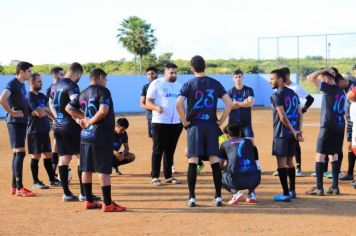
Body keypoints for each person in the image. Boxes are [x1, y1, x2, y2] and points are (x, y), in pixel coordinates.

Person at [66, 68, 126, 212]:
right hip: (101, 136)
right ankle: (108, 203)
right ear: (100, 77)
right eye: (105, 79)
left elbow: (68, 108)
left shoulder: (83, 93)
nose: (105, 82)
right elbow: (103, 111)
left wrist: (82, 118)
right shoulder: (103, 91)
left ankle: (89, 200)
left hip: (86, 136)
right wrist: (89, 121)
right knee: (103, 170)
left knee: (86, 168)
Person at [176, 55, 232, 207]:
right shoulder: (215, 83)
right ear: (205, 66)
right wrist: (220, 121)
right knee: (214, 160)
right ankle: (218, 197)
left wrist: (185, 121)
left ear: (192, 68)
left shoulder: (188, 84)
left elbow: (178, 104)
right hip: (210, 126)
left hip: (195, 127)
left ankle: (192, 198)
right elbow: (229, 103)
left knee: (193, 160)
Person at [49, 62, 87, 201]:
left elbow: (50, 103)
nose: (79, 79)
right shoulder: (72, 86)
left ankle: (66, 193)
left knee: (64, 158)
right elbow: (75, 104)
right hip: (71, 126)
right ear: (77, 73)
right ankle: (84, 193)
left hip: (58, 126)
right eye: (80, 76)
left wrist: (56, 118)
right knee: (81, 157)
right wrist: (81, 118)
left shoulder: (55, 85)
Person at [305, 68, 345, 196]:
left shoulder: (328, 88)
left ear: (326, 78)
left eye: (322, 78)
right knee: (334, 155)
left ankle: (319, 187)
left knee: (320, 156)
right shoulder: (341, 91)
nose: (320, 80)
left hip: (328, 126)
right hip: (339, 125)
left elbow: (310, 77)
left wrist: (325, 70)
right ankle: (335, 187)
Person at [0, 61, 36, 197]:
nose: (30, 74)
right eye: (29, 71)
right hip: (15, 122)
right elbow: (2, 99)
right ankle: (19, 187)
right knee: (19, 153)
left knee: (18, 153)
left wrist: (30, 110)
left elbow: (22, 102)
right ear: (21, 72)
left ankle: (14, 187)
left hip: (21, 122)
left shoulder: (21, 84)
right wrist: (12, 113)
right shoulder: (13, 83)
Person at [145, 63, 183, 186]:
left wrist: (184, 120)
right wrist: (156, 107)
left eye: (175, 72)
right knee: (158, 150)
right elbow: (148, 102)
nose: (174, 75)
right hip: (160, 122)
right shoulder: (156, 84)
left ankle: (168, 176)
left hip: (176, 123)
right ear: (165, 72)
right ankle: (155, 176)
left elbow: (182, 105)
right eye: (171, 72)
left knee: (170, 150)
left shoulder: (179, 86)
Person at [269, 69, 303, 202]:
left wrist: (295, 131)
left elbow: (282, 117)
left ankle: (285, 193)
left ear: (280, 80)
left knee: (281, 163)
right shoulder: (293, 93)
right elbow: (300, 113)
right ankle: (292, 190)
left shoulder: (277, 95)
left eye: (272, 79)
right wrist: (298, 131)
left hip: (282, 134)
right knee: (290, 162)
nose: (270, 81)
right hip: (292, 134)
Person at [277, 67, 315, 177]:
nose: (280, 79)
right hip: (283, 120)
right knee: (283, 141)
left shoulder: (296, 87)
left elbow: (310, 99)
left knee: (295, 142)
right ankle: (282, 166)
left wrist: (302, 111)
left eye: (282, 77)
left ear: (287, 76)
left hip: (294, 120)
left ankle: (298, 167)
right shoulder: (279, 89)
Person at [27, 73, 59, 189]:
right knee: (36, 155)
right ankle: (35, 181)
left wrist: (44, 109)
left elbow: (49, 110)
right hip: (34, 131)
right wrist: (45, 110)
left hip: (44, 129)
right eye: (39, 81)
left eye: (41, 81)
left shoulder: (41, 96)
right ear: (32, 82)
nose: (41, 83)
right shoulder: (30, 97)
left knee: (48, 155)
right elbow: (40, 114)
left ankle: (52, 179)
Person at [227, 69, 261, 171]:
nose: (238, 79)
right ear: (233, 79)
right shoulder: (230, 92)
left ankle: (257, 165)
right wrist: (243, 103)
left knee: (251, 144)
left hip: (246, 123)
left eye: (240, 77)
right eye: (236, 77)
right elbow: (229, 107)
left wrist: (236, 102)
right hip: (233, 124)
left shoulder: (248, 90)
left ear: (243, 78)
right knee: (232, 146)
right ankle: (233, 166)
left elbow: (250, 103)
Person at [219, 123, 261, 204]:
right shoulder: (249, 142)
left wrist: (227, 167)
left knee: (217, 175)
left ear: (228, 136)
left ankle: (236, 192)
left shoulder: (224, 145)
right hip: (255, 179)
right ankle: (251, 193)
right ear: (240, 133)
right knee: (251, 168)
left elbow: (219, 166)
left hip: (236, 181)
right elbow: (256, 162)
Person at [337, 68, 356, 181]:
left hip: (353, 122)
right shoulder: (345, 88)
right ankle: (349, 173)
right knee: (350, 148)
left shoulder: (353, 87)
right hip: (351, 122)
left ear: (343, 80)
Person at [46, 67, 64, 177]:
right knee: (56, 145)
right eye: (61, 74)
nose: (64, 76)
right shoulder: (51, 89)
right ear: (55, 76)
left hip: (62, 121)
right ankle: (53, 172)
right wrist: (54, 118)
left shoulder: (63, 87)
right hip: (57, 121)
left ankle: (55, 172)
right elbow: (46, 106)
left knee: (58, 145)